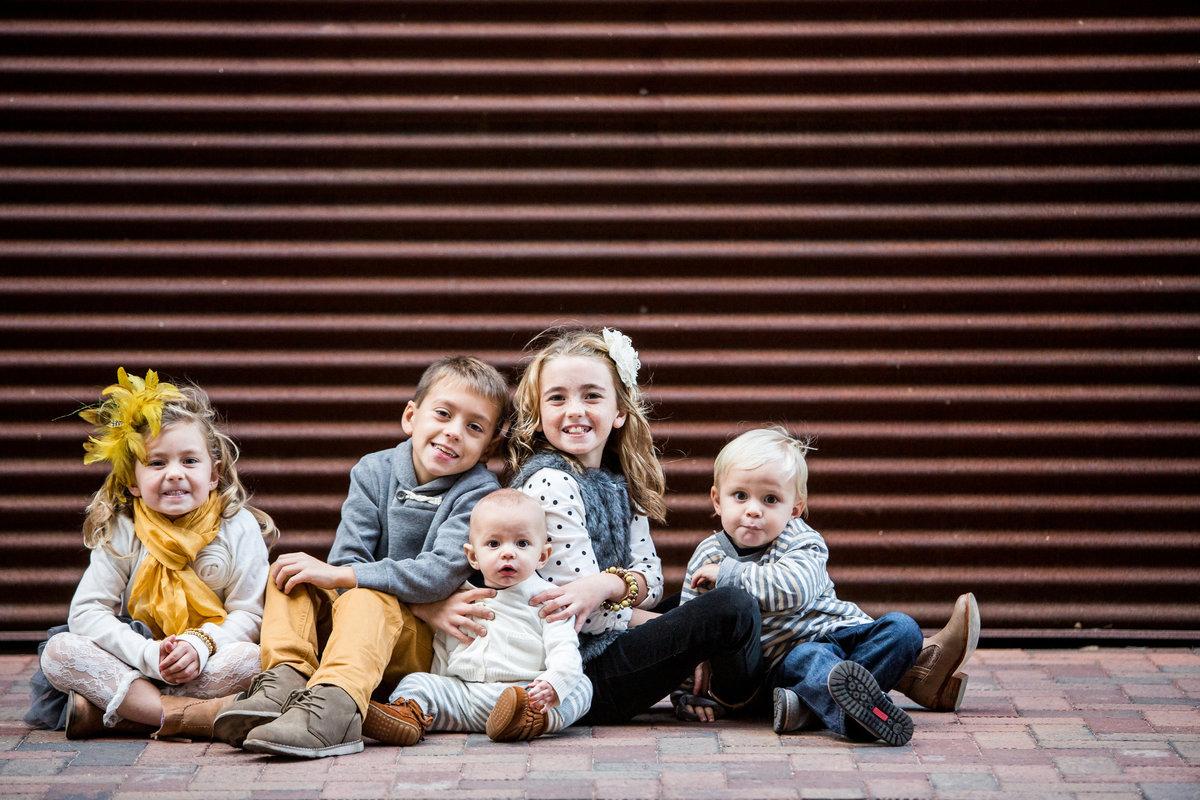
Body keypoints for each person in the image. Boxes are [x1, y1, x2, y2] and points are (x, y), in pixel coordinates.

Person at [415, 327, 760, 724]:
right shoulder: (551, 481)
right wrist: (688, 639)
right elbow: (579, 613)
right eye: (557, 398)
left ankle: (728, 684)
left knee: (707, 601)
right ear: (540, 416)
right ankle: (743, 696)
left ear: (619, 412)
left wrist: (608, 586)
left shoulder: (618, 480)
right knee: (731, 608)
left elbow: (651, 584)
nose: (574, 410)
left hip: (609, 642)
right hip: (576, 669)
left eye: (591, 395)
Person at [213, 356, 509, 758]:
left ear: (489, 446)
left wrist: (367, 586)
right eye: (443, 413)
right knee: (289, 573)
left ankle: (335, 711)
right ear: (411, 416)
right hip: (363, 625)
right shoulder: (374, 471)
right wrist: (409, 600)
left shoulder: (477, 492)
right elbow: (348, 558)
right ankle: (285, 681)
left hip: (412, 646)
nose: (454, 432)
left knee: (366, 595)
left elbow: (438, 573)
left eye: (474, 427)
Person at [680, 426, 978, 746]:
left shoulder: (803, 540)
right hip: (789, 660)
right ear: (717, 500)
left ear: (794, 508)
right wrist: (686, 694)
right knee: (811, 656)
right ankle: (854, 718)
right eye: (740, 496)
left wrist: (730, 575)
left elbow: (793, 590)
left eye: (770, 499)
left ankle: (810, 708)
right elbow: (688, 629)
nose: (753, 509)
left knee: (904, 629)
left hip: (840, 633)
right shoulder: (707, 556)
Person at [30, 368, 276, 741]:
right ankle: (195, 716)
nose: (174, 474)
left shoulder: (237, 527)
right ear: (132, 479)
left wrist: (199, 643)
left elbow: (249, 613)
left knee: (254, 660)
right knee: (59, 652)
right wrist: (148, 654)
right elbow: (86, 612)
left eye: (189, 461)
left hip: (207, 660)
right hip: (135, 659)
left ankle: (128, 714)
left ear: (214, 474)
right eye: (157, 463)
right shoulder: (123, 527)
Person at [363, 489, 591, 745]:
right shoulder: (458, 597)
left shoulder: (548, 601)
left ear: (542, 556)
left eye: (522, 543)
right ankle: (409, 716)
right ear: (473, 556)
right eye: (494, 544)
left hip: (524, 697)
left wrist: (551, 684)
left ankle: (532, 722)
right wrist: (438, 685)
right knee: (417, 682)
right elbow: (441, 649)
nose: (508, 553)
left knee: (581, 686)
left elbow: (565, 650)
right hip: (463, 696)